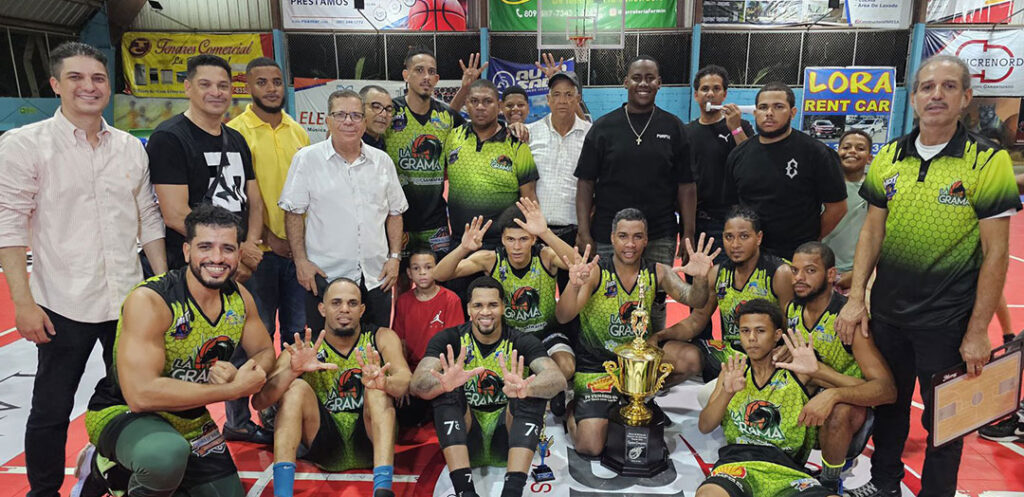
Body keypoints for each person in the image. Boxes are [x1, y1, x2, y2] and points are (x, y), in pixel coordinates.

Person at [836, 55, 1021, 497]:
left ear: (966, 97)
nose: (936, 95)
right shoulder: (889, 157)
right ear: (914, 98)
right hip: (888, 313)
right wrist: (858, 295)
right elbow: (872, 231)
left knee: (943, 421)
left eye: (948, 87)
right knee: (890, 405)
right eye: (927, 87)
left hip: (946, 318)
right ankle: (884, 484)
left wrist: (978, 331)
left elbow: (997, 253)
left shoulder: (986, 161)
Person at [0, 41, 167, 497]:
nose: (88, 87)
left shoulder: (131, 148)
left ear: (108, 85)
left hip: (129, 301)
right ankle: (44, 489)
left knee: (134, 398)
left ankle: (116, 474)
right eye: (76, 78)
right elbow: (9, 227)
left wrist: (164, 285)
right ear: (56, 85)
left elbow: (148, 218)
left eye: (97, 78)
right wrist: (23, 303)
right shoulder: (23, 145)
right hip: (62, 302)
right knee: (51, 408)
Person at [78, 204, 276, 497]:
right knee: (164, 458)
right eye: (205, 247)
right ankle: (105, 467)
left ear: (238, 254)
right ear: (186, 252)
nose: (217, 258)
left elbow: (264, 351)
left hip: (190, 421)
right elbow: (141, 395)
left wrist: (243, 371)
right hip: (124, 413)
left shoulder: (238, 297)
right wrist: (232, 390)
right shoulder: (151, 300)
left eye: (227, 248)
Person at [556, 208, 716, 457]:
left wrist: (701, 279)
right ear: (612, 238)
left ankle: (640, 397)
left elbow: (695, 298)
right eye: (623, 236)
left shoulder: (658, 272)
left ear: (646, 239)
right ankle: (572, 409)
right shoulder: (598, 271)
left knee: (691, 358)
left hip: (638, 364)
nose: (630, 244)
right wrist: (572, 285)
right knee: (590, 446)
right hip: (598, 364)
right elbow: (563, 316)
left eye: (637, 236)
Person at [409, 276, 567, 497]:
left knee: (531, 392)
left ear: (503, 307)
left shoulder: (522, 341)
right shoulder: (449, 339)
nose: (485, 312)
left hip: (509, 438)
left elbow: (557, 378)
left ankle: (512, 491)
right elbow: (417, 384)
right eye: (478, 305)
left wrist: (526, 388)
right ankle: (465, 492)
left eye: (492, 305)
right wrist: (442, 383)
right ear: (469, 309)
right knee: (446, 391)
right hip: (465, 437)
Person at [252, 278, 411, 497]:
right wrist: (292, 371)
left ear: (362, 309)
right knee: (295, 388)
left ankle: (383, 490)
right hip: (324, 444)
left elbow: (405, 380)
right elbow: (259, 402)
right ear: (322, 309)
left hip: (370, 439)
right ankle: (283, 493)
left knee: (377, 389)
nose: (344, 309)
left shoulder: (381, 337)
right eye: (336, 303)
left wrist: (386, 383)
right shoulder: (303, 348)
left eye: (352, 303)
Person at [695, 299, 865, 497]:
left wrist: (824, 379)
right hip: (736, 467)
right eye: (745, 331)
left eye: (760, 331)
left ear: (777, 335)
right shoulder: (733, 370)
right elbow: (705, 426)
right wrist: (727, 392)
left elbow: (867, 390)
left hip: (789, 471)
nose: (751, 338)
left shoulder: (800, 372)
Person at [575, 55, 696, 332]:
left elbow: (687, 185)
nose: (644, 83)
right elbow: (585, 183)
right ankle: (602, 355)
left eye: (650, 78)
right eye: (637, 78)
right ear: (626, 81)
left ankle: (650, 356)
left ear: (659, 83)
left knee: (654, 299)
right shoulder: (604, 127)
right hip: (608, 232)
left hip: (660, 232)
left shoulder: (674, 127)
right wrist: (584, 230)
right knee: (605, 296)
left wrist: (688, 232)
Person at [226, 56, 310, 440]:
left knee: (295, 337)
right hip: (256, 255)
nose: (272, 89)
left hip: (295, 255)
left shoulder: (298, 132)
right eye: (262, 82)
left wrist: (297, 245)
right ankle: (238, 422)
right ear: (248, 87)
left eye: (277, 81)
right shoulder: (234, 132)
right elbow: (237, 198)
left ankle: (281, 412)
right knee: (250, 341)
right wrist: (260, 241)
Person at [432, 199, 579, 414]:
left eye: (523, 239)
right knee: (495, 376)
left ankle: (542, 395)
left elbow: (579, 264)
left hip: (546, 332)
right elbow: (439, 274)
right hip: (509, 337)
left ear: (533, 238)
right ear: (502, 239)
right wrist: (463, 248)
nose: (517, 247)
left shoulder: (545, 256)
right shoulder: (491, 259)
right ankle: (536, 397)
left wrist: (546, 233)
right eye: (510, 239)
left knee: (566, 366)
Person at [280, 89, 408, 332]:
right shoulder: (307, 160)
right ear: (327, 120)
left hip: (376, 276)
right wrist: (301, 262)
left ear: (364, 121)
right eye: (340, 115)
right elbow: (294, 213)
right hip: (324, 276)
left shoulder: (382, 162)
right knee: (322, 349)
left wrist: (394, 258)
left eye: (356, 115)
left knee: (375, 346)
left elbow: (395, 212)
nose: (348, 121)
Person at [786, 242, 896, 492]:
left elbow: (887, 390)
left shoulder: (848, 320)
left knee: (838, 412)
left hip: (851, 410)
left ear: (831, 275)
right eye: (794, 271)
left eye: (810, 271)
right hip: (810, 397)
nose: (799, 278)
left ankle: (829, 482)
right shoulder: (792, 309)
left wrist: (830, 389)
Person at [147, 54, 265, 278]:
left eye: (223, 86)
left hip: (236, 262)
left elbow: (255, 202)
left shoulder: (236, 139)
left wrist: (248, 247)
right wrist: (232, 250)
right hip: (194, 265)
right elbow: (175, 214)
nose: (216, 92)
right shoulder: (169, 138)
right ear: (188, 88)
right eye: (205, 85)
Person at [650, 207, 793, 382]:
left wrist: (788, 347)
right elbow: (695, 322)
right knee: (664, 352)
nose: (735, 245)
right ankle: (645, 395)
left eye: (744, 236)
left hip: (768, 356)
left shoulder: (780, 272)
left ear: (759, 238)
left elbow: (794, 323)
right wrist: (658, 336)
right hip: (730, 354)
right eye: (729, 237)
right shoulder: (717, 273)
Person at [724, 81, 847, 260]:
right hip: (751, 258)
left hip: (796, 257)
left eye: (778, 107)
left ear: (792, 112)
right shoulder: (738, 155)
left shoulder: (816, 152)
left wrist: (811, 239)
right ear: (755, 112)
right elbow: (734, 207)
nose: (769, 113)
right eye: (763, 107)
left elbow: (837, 208)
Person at [385, 47, 465, 257]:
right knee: (399, 279)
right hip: (395, 217)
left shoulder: (447, 116)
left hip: (435, 220)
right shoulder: (389, 112)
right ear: (406, 75)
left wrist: (511, 127)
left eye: (431, 72)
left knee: (438, 277)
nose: (426, 77)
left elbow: (478, 133)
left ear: (437, 78)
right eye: (419, 70)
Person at [445, 79, 539, 250]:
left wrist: (533, 241)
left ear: (500, 105)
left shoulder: (517, 145)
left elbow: (529, 199)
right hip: (460, 242)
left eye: (487, 101)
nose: (480, 107)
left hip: (501, 247)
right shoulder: (452, 137)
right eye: (474, 101)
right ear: (466, 104)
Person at [526, 70, 591, 280]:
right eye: (556, 94)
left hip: (575, 233)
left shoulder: (591, 135)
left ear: (578, 100)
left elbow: (596, 185)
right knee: (539, 302)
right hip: (536, 234)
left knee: (573, 303)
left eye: (569, 94)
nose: (562, 100)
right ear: (548, 99)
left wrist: (585, 229)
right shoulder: (530, 133)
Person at [687, 65, 753, 266]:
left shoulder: (742, 127)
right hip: (699, 220)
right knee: (698, 284)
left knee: (727, 284)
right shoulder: (686, 133)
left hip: (732, 219)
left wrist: (735, 129)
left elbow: (752, 161)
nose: (710, 94)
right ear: (696, 95)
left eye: (716, 89)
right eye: (705, 89)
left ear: (724, 94)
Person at [393, 248, 465, 426]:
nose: (422, 273)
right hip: (412, 374)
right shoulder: (403, 301)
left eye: (428, 267)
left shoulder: (451, 299)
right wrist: (405, 378)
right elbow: (400, 344)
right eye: (416, 268)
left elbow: (454, 344)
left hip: (440, 373)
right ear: (409, 273)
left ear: (437, 268)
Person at [822, 131, 871, 292]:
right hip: (820, 269)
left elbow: (878, 235)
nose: (852, 151)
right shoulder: (823, 186)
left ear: (870, 157)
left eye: (860, 148)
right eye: (846, 147)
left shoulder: (874, 190)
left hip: (853, 274)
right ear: (837, 153)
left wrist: (857, 273)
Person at [360, 84, 394, 151]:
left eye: (388, 109)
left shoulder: (381, 143)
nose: (384, 114)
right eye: (376, 107)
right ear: (360, 108)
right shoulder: (349, 144)